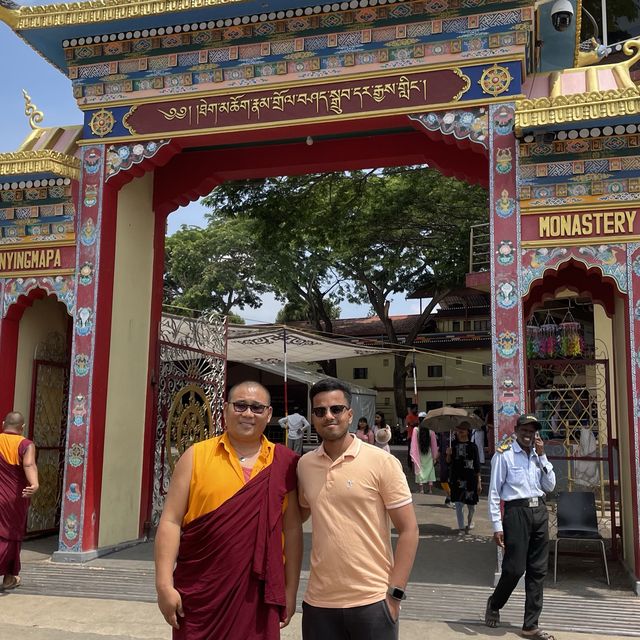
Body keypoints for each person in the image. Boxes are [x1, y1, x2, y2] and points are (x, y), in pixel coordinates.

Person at [155, 381, 302, 640]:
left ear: (268, 414)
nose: (248, 413)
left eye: (257, 408)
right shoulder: (196, 456)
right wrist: (164, 585)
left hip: (259, 595)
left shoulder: (285, 463)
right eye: (240, 405)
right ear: (225, 409)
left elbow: (291, 531)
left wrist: (290, 592)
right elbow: (171, 521)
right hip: (202, 592)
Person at [297, 379, 419, 640]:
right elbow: (298, 514)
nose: (328, 416)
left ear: (350, 414)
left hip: (372, 601)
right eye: (320, 411)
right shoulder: (305, 465)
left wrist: (395, 594)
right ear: (313, 417)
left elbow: (409, 530)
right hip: (319, 603)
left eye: (336, 409)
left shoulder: (381, 462)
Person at [485, 414, 557, 640]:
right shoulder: (504, 455)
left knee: (538, 571)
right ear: (516, 431)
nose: (528, 435)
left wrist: (543, 457)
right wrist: (497, 525)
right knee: (515, 569)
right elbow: (494, 493)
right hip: (517, 514)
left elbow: (550, 485)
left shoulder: (537, 456)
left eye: (532, 431)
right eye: (524, 431)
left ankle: (530, 625)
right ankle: (494, 603)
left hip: (539, 512)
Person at [0, 411, 38, 591]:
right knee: (11, 536)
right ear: (22, 428)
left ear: (3, 424)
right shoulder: (25, 444)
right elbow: (29, 464)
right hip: (13, 498)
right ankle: (8, 578)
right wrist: (35, 483)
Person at [446, 422, 480, 535]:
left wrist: (479, 481)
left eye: (462, 430)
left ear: (467, 432)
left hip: (470, 479)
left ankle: (469, 523)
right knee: (459, 504)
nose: (460, 432)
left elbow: (477, 465)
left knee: (472, 506)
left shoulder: (473, 446)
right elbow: (448, 462)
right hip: (457, 478)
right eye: (458, 430)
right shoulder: (453, 445)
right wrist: (448, 454)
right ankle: (461, 528)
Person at [410, 419, 438, 494]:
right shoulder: (431, 431)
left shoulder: (416, 430)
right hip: (428, 453)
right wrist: (435, 456)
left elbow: (413, 443)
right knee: (430, 470)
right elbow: (434, 445)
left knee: (420, 470)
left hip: (419, 453)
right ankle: (430, 490)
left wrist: (413, 455)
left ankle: (421, 489)